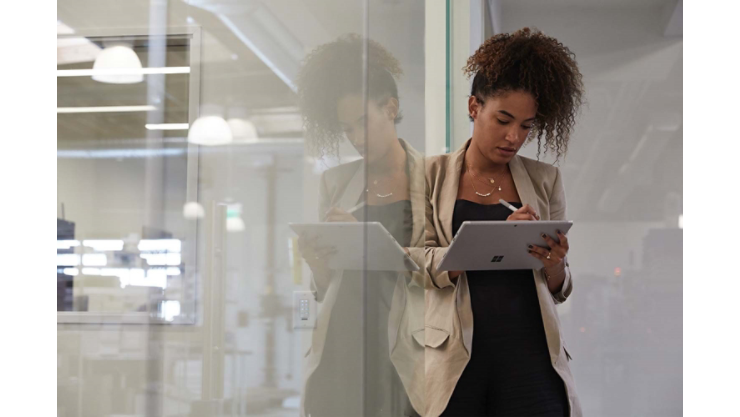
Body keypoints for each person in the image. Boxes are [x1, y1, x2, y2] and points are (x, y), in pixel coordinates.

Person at [423, 28, 584, 416]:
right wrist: (461, 254)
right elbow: (410, 259)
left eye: (526, 126)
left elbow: (559, 289)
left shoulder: (545, 180)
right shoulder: (429, 175)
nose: (514, 136)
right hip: (455, 359)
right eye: (503, 119)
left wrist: (554, 263)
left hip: (531, 357)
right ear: (474, 107)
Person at [295, 34, 425, 417]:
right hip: (345, 340)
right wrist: (317, 264)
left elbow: (442, 271)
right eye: (346, 129)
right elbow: (327, 285)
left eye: (362, 123)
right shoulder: (335, 183)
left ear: (390, 108)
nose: (355, 138)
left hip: (405, 340)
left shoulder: (434, 178)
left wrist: (366, 241)